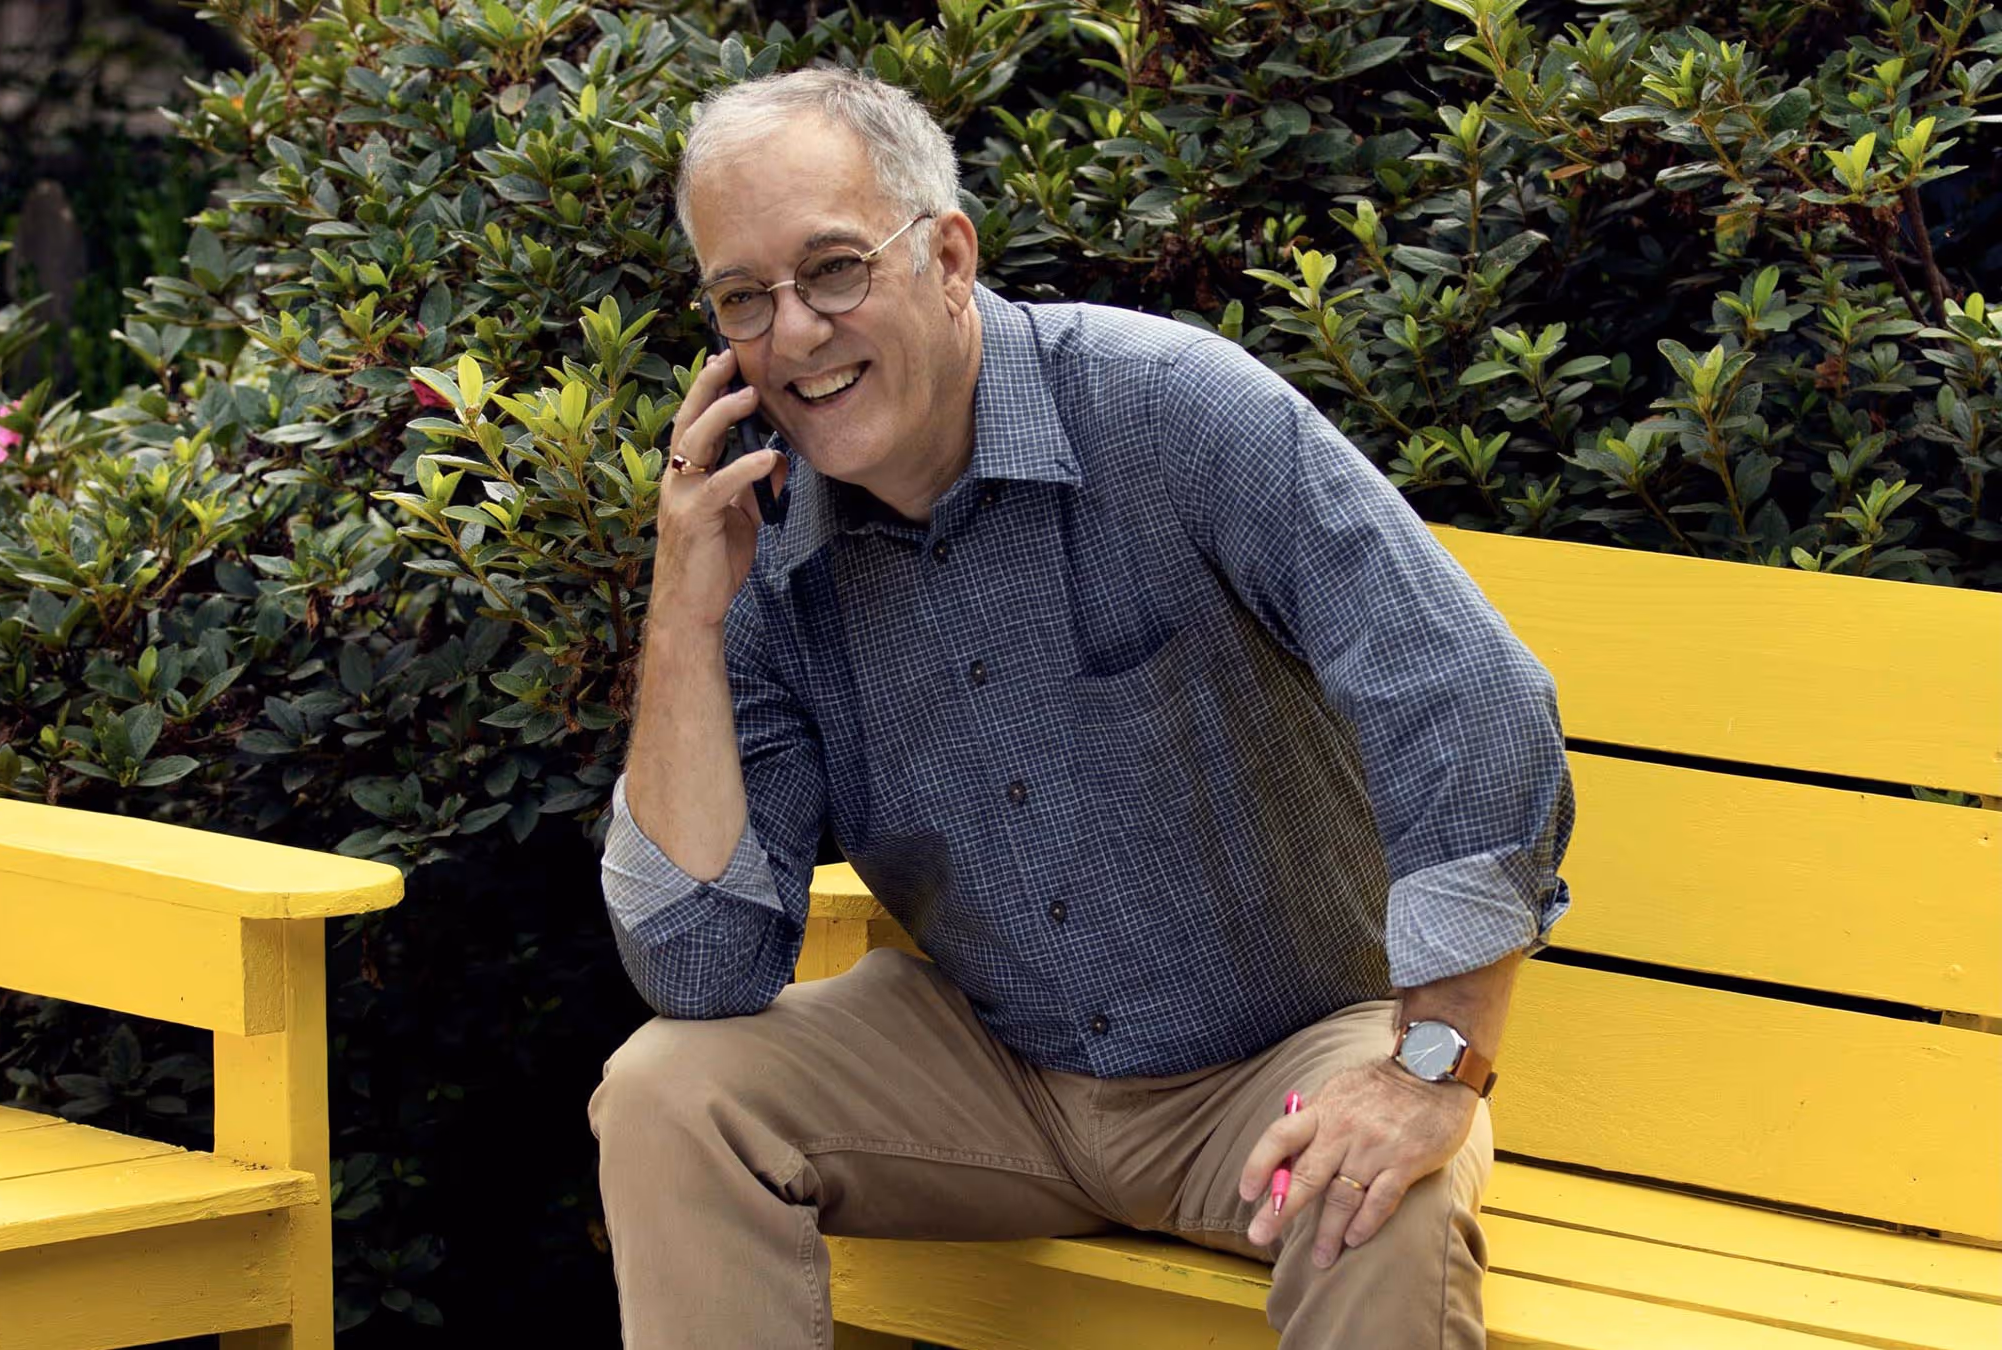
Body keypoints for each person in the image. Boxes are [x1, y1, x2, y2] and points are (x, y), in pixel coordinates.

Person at [590, 67, 1573, 1350]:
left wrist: (1433, 1066)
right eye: (744, 298)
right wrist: (683, 620)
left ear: (948, 257)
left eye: (834, 270)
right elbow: (701, 968)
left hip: (1287, 1064)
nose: (796, 334)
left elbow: (1470, 700)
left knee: (1375, 1200)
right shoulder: (760, 544)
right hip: (997, 1073)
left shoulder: (1168, 409)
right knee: (666, 1095)